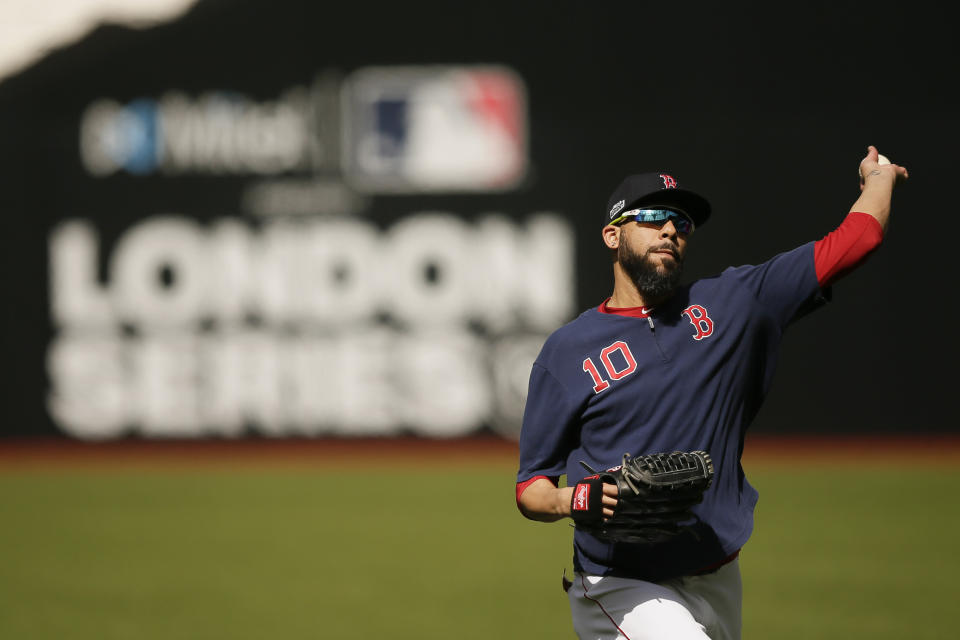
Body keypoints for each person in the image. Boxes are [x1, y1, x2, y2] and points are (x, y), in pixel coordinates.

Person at [514, 146, 908, 640]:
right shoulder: (567, 352)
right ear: (612, 235)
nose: (670, 230)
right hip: (619, 581)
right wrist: (575, 499)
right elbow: (531, 488)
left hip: (719, 569)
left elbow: (856, 240)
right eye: (654, 217)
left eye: (682, 223)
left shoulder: (734, 302)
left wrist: (879, 177)